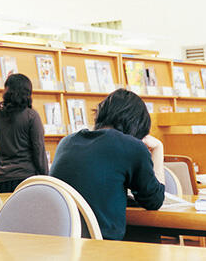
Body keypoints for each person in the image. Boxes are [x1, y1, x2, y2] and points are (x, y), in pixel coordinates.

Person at [50, 88, 165, 240]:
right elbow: (154, 200)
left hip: (60, 242)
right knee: (149, 236)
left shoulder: (66, 142)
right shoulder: (131, 146)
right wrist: (158, 149)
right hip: (101, 246)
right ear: (138, 124)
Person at [0, 73, 47, 193]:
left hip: (1, 181)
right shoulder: (32, 116)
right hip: (27, 181)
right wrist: (46, 177)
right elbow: (39, 150)